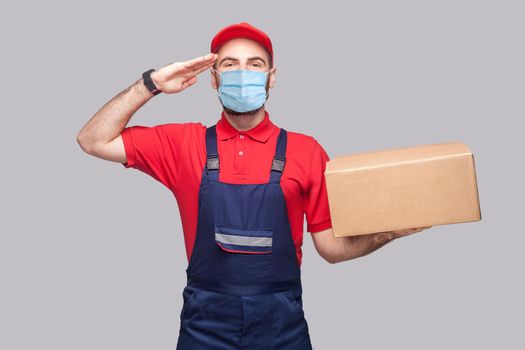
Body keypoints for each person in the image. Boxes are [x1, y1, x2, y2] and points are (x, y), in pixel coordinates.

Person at [77, 22, 431, 350]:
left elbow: (331, 248)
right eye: (230, 65)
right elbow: (93, 140)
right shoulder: (182, 143)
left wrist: (390, 232)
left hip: (282, 327)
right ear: (213, 79)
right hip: (205, 328)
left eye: (255, 64)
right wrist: (152, 82)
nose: (242, 73)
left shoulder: (306, 151)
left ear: (271, 78)